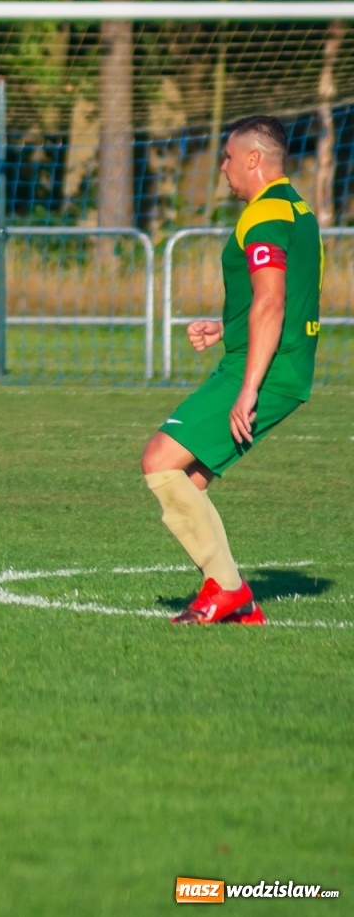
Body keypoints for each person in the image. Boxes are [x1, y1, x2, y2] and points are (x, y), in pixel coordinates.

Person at [140, 115, 321, 625]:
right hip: (278, 363)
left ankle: (230, 589)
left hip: (263, 370)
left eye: (226, 156)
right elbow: (283, 295)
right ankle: (224, 594)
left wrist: (248, 388)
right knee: (189, 480)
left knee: (159, 460)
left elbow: (271, 303)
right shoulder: (296, 209)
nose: (221, 167)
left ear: (253, 159)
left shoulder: (263, 215)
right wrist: (225, 327)